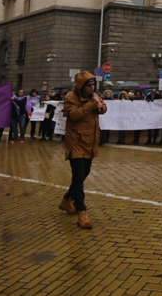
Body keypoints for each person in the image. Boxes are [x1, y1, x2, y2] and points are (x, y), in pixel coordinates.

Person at [58, 71, 106, 229]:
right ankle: (82, 213)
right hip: (76, 142)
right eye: (89, 85)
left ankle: (66, 199)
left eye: (93, 85)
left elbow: (103, 108)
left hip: (90, 142)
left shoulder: (94, 95)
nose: (92, 88)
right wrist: (92, 104)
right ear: (81, 86)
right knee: (78, 177)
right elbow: (74, 116)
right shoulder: (70, 98)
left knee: (83, 174)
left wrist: (99, 105)